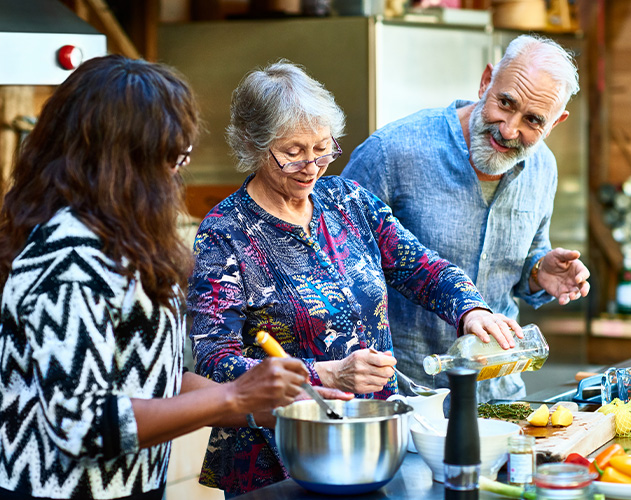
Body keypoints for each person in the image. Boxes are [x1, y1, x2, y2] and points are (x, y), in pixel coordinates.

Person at [0, 55, 331, 500]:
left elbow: (156, 377)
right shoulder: (69, 257)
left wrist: (266, 406)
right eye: (172, 155)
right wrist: (233, 397)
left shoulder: (121, 238)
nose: (178, 170)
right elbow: (82, 427)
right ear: (122, 159)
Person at [187, 60, 522, 497]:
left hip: (370, 441)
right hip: (278, 456)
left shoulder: (346, 200)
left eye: (323, 149)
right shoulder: (225, 231)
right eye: (293, 152)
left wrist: (469, 308)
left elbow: (420, 266)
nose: (311, 166)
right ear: (254, 144)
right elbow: (214, 361)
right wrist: (324, 374)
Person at [342, 34, 591, 403]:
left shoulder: (544, 169)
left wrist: (539, 271)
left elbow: (525, 258)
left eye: (533, 120)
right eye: (505, 103)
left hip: (499, 395)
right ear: (485, 81)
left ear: (555, 123)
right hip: (407, 395)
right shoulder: (393, 151)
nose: (508, 130)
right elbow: (332, 263)